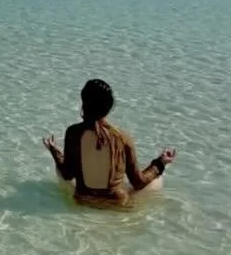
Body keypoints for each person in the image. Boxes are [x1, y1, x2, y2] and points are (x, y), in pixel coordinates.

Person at [43, 78, 175, 205]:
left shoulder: (73, 133)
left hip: (84, 201)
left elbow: (67, 174)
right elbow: (138, 182)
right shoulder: (122, 137)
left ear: (84, 103)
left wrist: (54, 151)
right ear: (109, 107)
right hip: (117, 204)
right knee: (156, 179)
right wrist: (160, 163)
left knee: (60, 169)